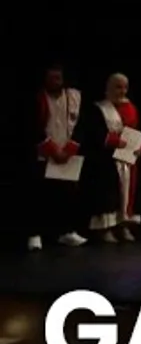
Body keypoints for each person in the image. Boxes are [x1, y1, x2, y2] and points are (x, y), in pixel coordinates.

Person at [28, 64, 87, 251]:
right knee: (40, 196)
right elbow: (32, 127)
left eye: (58, 78)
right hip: (45, 152)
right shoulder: (38, 98)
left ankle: (66, 232)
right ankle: (35, 234)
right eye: (52, 78)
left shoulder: (74, 96)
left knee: (67, 194)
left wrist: (69, 149)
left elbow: (81, 125)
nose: (56, 82)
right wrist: (52, 149)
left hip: (67, 152)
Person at [85, 73, 141, 243]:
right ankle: (105, 228)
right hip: (106, 158)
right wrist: (115, 141)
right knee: (108, 194)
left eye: (125, 87)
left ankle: (123, 225)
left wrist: (139, 147)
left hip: (127, 158)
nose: (122, 91)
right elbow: (95, 134)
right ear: (109, 88)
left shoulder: (131, 108)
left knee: (126, 193)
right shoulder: (100, 108)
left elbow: (136, 131)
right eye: (118, 87)